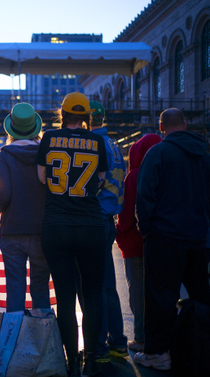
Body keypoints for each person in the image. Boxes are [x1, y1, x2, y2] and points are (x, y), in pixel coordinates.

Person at [134, 108, 210, 370]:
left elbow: (145, 196)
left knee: (160, 295)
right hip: (196, 238)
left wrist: (146, 229)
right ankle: (208, 349)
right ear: (184, 125)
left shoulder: (158, 153)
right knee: (201, 294)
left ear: (161, 127)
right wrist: (209, 233)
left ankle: (158, 353)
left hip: (164, 237)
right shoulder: (206, 158)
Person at [35, 92, 108, 377]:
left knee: (64, 297)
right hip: (90, 224)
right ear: (87, 116)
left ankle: (71, 362)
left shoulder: (49, 139)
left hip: (56, 224)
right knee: (92, 295)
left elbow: (42, 178)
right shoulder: (97, 141)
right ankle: (91, 359)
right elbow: (100, 180)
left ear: (62, 114)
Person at [0, 103, 50, 311]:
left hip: (12, 231)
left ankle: (15, 340)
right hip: (42, 229)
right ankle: (41, 341)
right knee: (40, 287)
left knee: (15, 288)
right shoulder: (46, 151)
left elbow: (5, 194)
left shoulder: (5, 153)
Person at [89, 101, 128, 362]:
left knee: (95, 286)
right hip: (109, 218)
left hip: (95, 218)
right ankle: (118, 342)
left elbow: (92, 184)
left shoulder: (92, 147)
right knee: (108, 285)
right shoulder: (115, 146)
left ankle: (100, 347)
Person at [115, 133, 162, 353]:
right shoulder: (165, 171)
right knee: (161, 291)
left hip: (134, 243)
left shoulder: (133, 177)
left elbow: (125, 216)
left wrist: (119, 233)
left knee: (138, 291)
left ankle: (141, 337)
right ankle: (161, 337)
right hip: (162, 241)